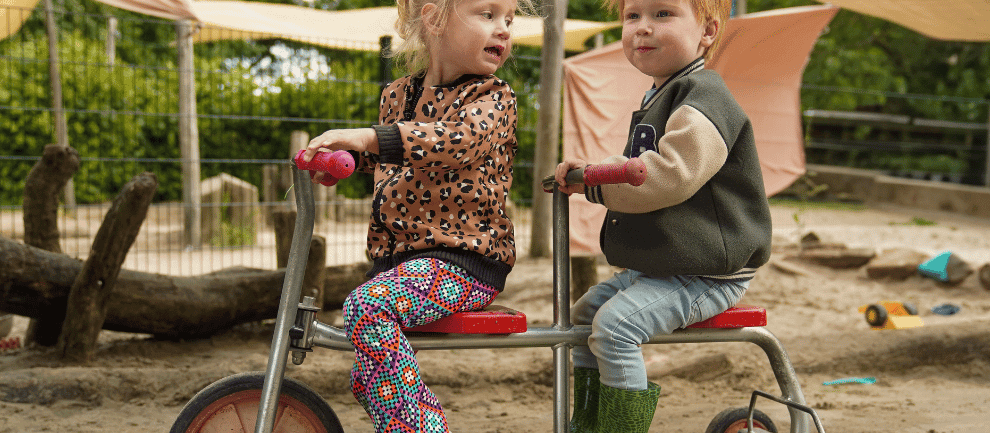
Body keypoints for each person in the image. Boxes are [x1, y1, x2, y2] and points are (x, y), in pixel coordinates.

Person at [301, 0, 533, 431]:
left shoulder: (493, 97)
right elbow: (397, 153)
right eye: (488, 15)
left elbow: (454, 142)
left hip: (462, 261)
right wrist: (349, 158)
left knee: (368, 307)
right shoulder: (398, 95)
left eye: (509, 20)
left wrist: (369, 138)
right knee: (370, 347)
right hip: (398, 262)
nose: (503, 29)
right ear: (434, 18)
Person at [554, 0, 772, 431]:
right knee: (582, 315)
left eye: (662, 15)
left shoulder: (705, 96)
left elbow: (672, 174)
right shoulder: (663, 95)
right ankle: (591, 422)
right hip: (667, 264)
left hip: (708, 270)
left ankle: (622, 428)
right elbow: (639, 166)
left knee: (615, 328)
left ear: (706, 32)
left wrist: (596, 182)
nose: (643, 29)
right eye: (632, 17)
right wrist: (593, 170)